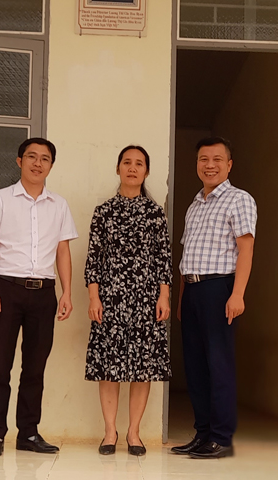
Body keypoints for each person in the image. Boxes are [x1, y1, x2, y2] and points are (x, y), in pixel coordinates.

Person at [0, 137, 78, 457]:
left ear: (51, 165)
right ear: (19, 161)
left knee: (35, 368)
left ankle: (29, 434)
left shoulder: (58, 205)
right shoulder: (1, 199)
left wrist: (67, 293)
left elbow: (63, 250)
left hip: (43, 294)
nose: (37, 163)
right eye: (31, 157)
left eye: (44, 158)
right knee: (1, 365)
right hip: (5, 290)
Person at [171, 136, 257, 459]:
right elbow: (186, 256)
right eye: (204, 159)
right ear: (197, 165)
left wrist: (238, 294)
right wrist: (182, 299)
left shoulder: (239, 199)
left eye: (217, 159)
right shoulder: (195, 205)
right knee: (194, 366)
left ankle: (221, 437)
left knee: (218, 364)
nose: (210, 165)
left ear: (229, 164)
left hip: (219, 290)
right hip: (192, 291)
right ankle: (202, 432)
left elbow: (246, 249)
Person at [85, 145, 172, 456]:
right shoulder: (103, 212)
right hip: (110, 297)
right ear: (118, 168)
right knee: (110, 365)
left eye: (139, 164)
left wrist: (164, 295)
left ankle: (134, 433)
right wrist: (94, 296)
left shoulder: (154, 212)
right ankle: (110, 432)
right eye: (127, 162)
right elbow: (93, 258)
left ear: (146, 172)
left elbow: (163, 257)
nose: (132, 168)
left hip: (147, 298)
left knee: (141, 366)